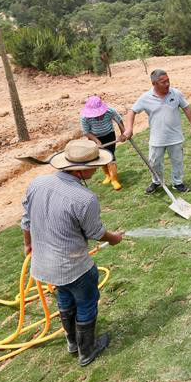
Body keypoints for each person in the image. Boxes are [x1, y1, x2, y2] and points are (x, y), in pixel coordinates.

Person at [21, 139, 124, 366]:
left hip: (45, 266)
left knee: (65, 298)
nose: (97, 170)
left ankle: (72, 343)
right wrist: (114, 238)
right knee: (86, 303)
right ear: (80, 169)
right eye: (94, 166)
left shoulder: (37, 184)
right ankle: (87, 351)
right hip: (75, 268)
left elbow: (26, 221)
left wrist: (28, 246)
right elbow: (96, 232)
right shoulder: (85, 198)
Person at [120, 69, 191, 194]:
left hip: (175, 137)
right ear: (154, 84)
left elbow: (186, 108)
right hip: (157, 139)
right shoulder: (145, 98)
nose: (167, 84)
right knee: (154, 162)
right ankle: (157, 182)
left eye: (168, 80)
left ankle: (178, 183)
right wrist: (129, 129)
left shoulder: (176, 93)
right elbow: (132, 111)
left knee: (177, 161)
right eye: (163, 82)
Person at [80, 96, 124, 190]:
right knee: (101, 157)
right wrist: (96, 140)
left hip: (109, 135)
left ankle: (114, 179)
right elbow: (86, 132)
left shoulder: (110, 111)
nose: (98, 115)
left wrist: (123, 134)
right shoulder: (85, 118)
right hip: (94, 138)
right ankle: (108, 175)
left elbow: (119, 120)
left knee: (110, 156)